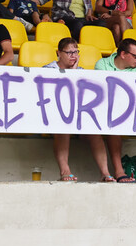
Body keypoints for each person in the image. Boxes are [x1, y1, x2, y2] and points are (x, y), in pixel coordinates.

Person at [44, 37, 115, 183]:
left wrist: (75, 71)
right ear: (59, 53)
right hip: (55, 115)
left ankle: (105, 173)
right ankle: (65, 171)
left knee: (96, 131)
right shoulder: (48, 69)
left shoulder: (81, 71)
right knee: (64, 125)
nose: (74, 56)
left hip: (79, 115)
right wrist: (73, 72)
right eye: (69, 52)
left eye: (76, 52)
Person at [95, 38, 136, 184]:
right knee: (114, 121)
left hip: (132, 110)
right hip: (108, 110)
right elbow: (104, 92)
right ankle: (119, 171)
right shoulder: (102, 64)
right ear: (123, 54)